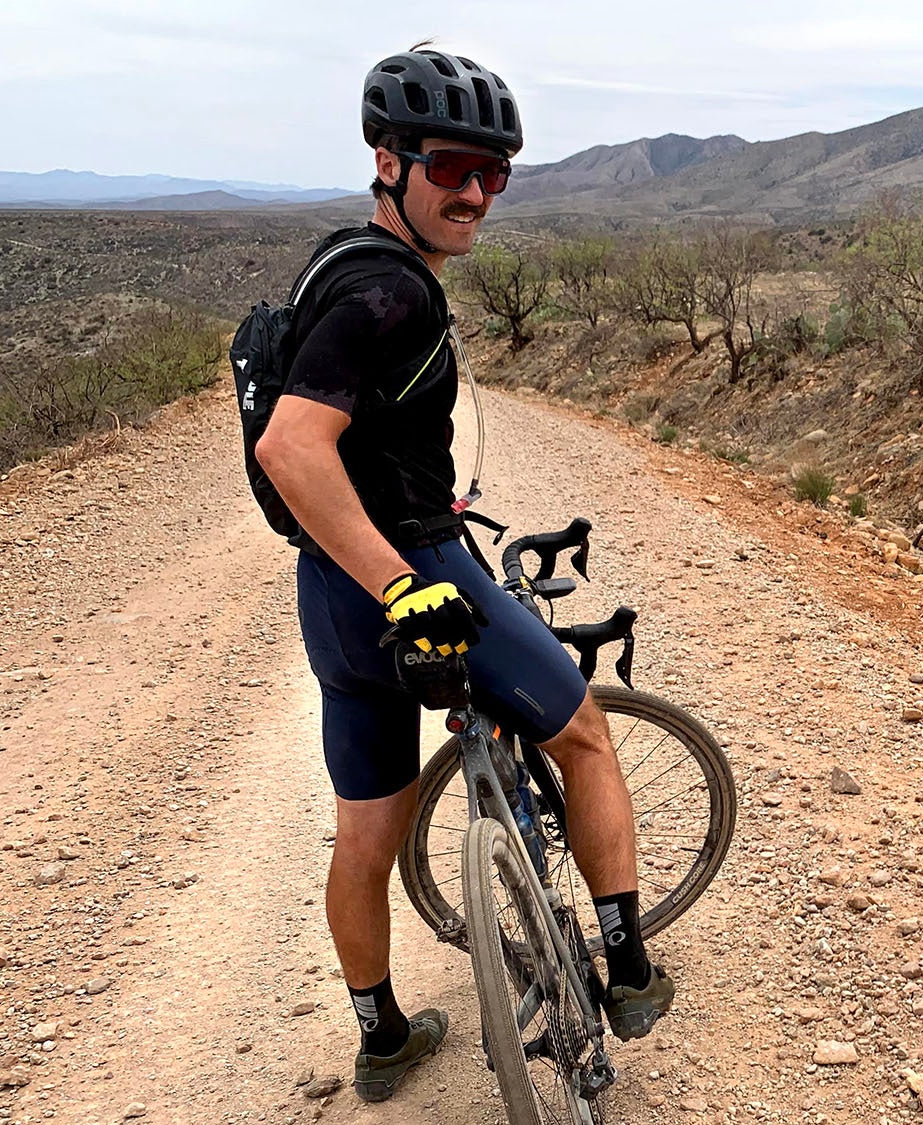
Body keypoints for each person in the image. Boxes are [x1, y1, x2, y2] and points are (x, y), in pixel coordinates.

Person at [253, 46, 671, 1104]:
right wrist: (408, 581)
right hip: (417, 579)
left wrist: (374, 583)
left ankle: (382, 1036)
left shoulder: (333, 266)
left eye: (497, 175)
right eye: (451, 167)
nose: (476, 194)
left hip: (332, 603)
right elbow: (292, 447)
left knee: (364, 835)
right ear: (387, 160)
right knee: (580, 733)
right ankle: (626, 971)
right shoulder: (391, 295)